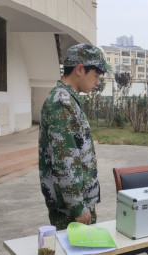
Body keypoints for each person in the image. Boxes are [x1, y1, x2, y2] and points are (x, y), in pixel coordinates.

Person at [38, 43, 109, 230]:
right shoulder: (62, 103)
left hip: (75, 204)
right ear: (80, 69)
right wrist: (77, 206)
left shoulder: (68, 100)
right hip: (71, 210)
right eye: (96, 75)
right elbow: (65, 159)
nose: (97, 82)